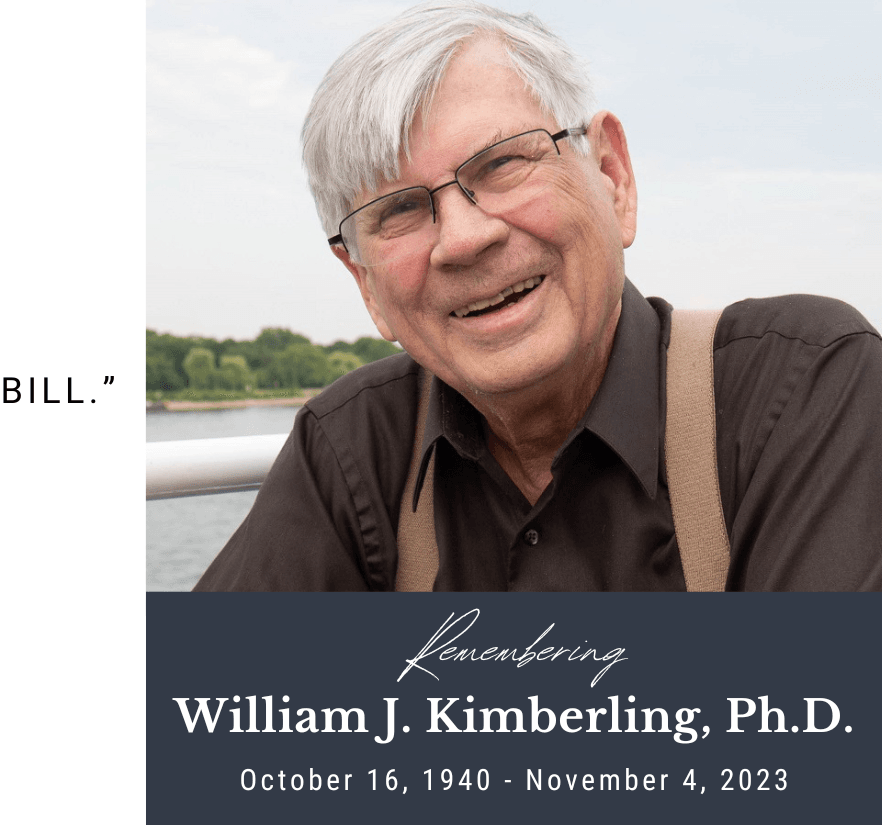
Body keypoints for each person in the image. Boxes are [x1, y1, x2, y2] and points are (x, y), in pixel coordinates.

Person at [194, 1, 882, 591]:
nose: (463, 239)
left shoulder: (808, 388)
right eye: (400, 210)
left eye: (502, 163)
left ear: (612, 177)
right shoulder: (350, 452)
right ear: (365, 283)